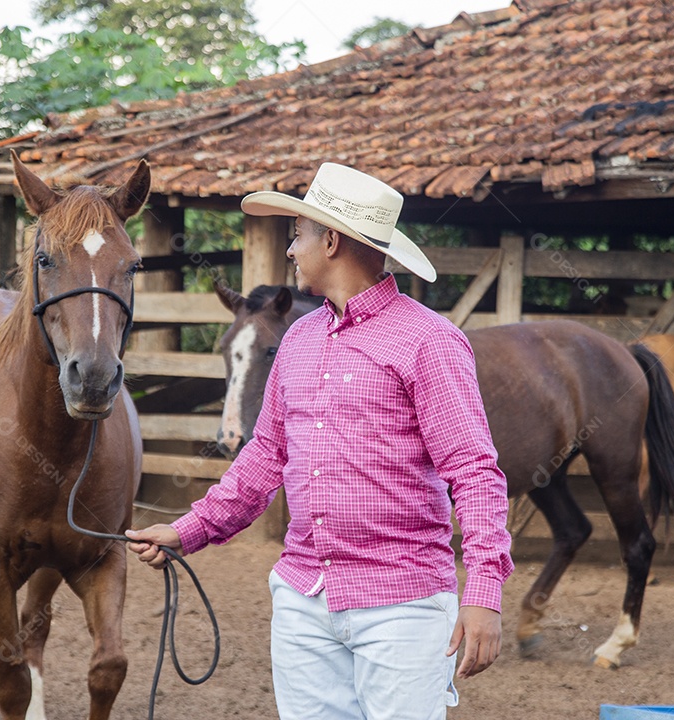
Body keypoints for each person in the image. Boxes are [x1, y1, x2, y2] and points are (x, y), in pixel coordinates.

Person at [127, 162, 513, 720]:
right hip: (302, 600)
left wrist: (483, 591)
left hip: (402, 604)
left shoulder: (430, 342)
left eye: (297, 236)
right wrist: (188, 530)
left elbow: (474, 471)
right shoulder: (299, 339)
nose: (290, 250)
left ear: (331, 241)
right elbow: (264, 456)